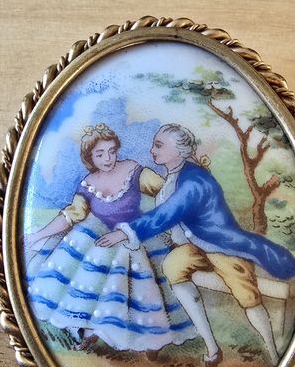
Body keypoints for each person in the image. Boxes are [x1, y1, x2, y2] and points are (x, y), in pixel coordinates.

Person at [96, 123, 295, 367]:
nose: (152, 150)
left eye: (159, 145)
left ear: (179, 151)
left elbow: (167, 213)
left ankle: (274, 356)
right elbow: (155, 195)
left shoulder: (194, 180)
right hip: (194, 245)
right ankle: (212, 348)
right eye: (153, 145)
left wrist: (125, 231)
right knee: (172, 267)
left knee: (247, 295)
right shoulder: (172, 176)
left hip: (222, 245)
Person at [24, 123, 196, 353]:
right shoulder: (88, 184)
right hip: (100, 237)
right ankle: (90, 330)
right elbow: (70, 216)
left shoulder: (133, 171)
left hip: (134, 236)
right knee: (94, 262)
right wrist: (38, 234)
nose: (108, 158)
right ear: (89, 157)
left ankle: (147, 340)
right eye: (100, 154)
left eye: (112, 151)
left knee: (135, 274)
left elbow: (167, 192)